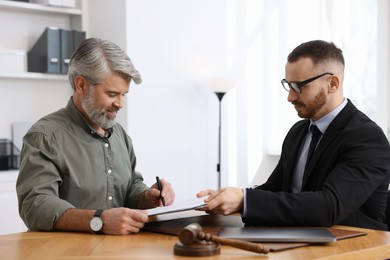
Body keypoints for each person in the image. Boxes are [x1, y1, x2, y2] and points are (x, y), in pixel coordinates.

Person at [197, 40, 390, 231]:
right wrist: (228, 198)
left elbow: (328, 206)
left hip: (355, 248)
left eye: (299, 86)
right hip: (300, 241)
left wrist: (245, 201)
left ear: (332, 83)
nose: (290, 97)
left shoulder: (367, 138)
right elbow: (275, 189)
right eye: (288, 85)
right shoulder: (298, 131)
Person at [16, 38, 175, 235]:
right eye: (112, 94)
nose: (120, 103)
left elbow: (130, 185)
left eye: (124, 94)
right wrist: (100, 220)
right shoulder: (45, 136)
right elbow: (35, 206)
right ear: (81, 85)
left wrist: (147, 196)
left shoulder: (119, 135)